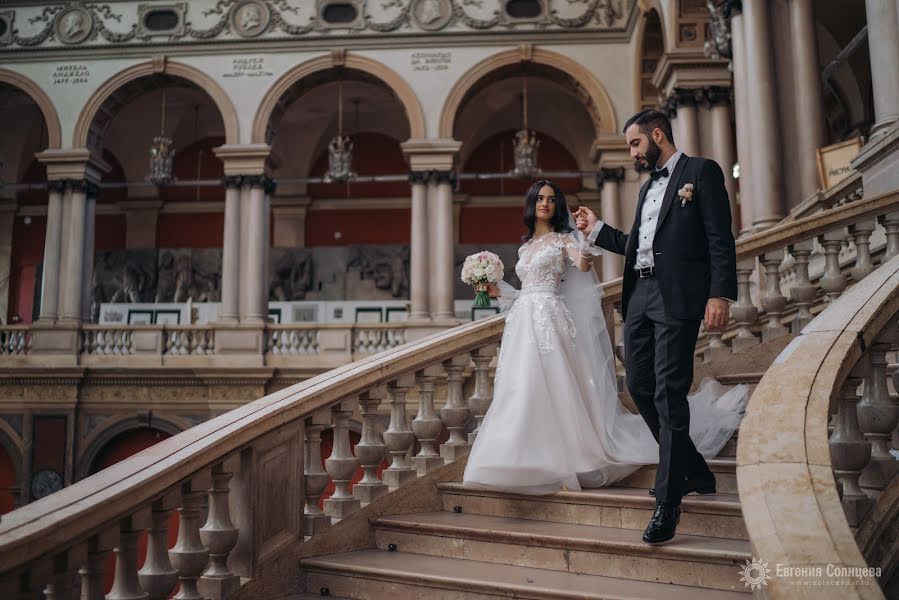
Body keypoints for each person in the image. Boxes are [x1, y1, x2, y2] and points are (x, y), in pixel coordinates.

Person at [463, 180, 746, 529]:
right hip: (524, 322)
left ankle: (566, 460)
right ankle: (517, 458)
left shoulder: (563, 240)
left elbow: (581, 268)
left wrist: (584, 242)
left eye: (552, 199)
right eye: (540, 198)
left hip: (552, 319)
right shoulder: (524, 250)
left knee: (555, 388)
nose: (546, 204)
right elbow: (524, 293)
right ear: (531, 204)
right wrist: (495, 289)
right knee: (522, 389)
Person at [575, 109, 738, 544]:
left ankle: (668, 502)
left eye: (634, 143)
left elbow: (720, 237)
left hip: (678, 298)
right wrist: (599, 231)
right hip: (640, 296)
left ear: (657, 135)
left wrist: (719, 294)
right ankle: (696, 469)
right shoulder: (648, 187)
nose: (632, 152)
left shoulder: (701, 172)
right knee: (640, 386)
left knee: (668, 390)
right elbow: (638, 246)